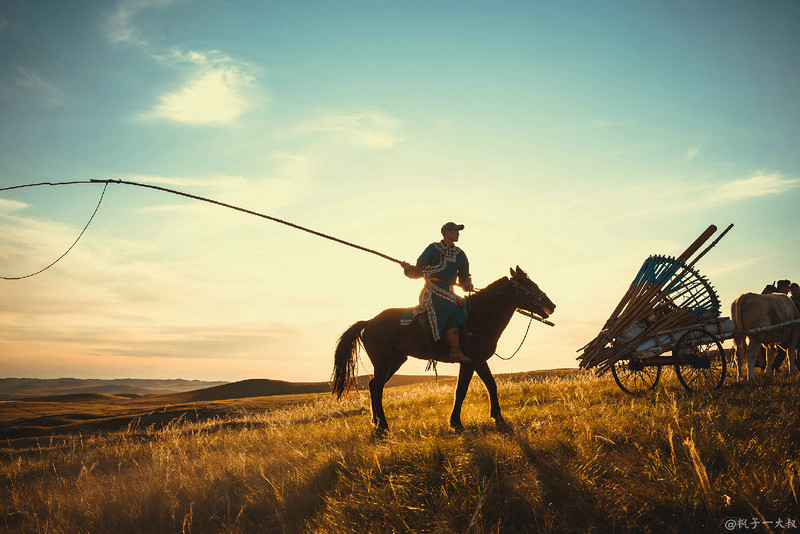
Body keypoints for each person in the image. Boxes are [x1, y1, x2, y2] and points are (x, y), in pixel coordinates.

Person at [401, 222, 474, 363]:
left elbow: (464, 278)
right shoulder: (432, 248)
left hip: (449, 292)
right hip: (432, 290)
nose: (458, 234)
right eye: (455, 231)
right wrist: (408, 269)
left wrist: (467, 285)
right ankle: (455, 352)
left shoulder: (460, 254)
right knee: (450, 309)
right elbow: (418, 271)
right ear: (447, 232)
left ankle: (466, 342)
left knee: (465, 306)